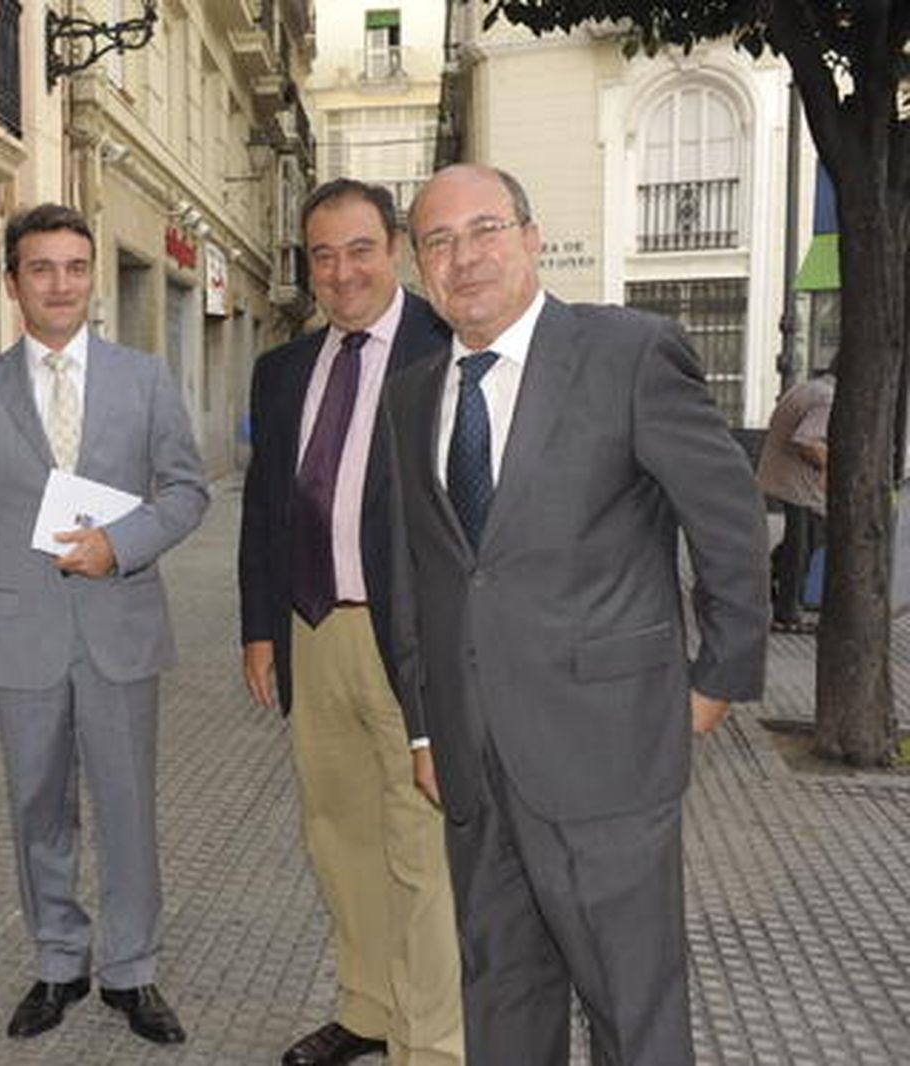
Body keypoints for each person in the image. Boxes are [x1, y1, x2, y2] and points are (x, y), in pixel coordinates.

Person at [385, 164, 768, 1065]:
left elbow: (729, 521)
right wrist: (424, 727)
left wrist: (716, 681)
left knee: (632, 1011)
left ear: (530, 238)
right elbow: (413, 574)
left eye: (484, 230)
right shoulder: (411, 394)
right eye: (438, 241)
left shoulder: (628, 353)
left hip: (607, 753)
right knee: (503, 999)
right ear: (419, 268)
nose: (464, 257)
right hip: (474, 762)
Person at [0, 203, 208, 1046]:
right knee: (37, 809)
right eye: (41, 268)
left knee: (127, 808)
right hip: (23, 639)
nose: (61, 284)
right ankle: (58, 960)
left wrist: (119, 546)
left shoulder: (144, 379)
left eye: (76, 268)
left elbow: (186, 491)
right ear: (13, 283)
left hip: (120, 629)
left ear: (92, 280)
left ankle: (131, 969)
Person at [238, 179, 461, 1066]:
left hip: (413, 642)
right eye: (323, 256)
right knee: (339, 838)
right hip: (312, 631)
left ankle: (432, 1045)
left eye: (360, 249)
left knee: (423, 850)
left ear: (394, 248)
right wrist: (260, 628)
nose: (341, 272)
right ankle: (368, 1010)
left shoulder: (448, 346)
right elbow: (264, 510)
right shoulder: (283, 369)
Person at [756, 369, 833, 632]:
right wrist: (829, 464)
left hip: (782, 474)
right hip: (797, 483)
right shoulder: (828, 399)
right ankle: (787, 614)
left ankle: (765, 579)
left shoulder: (810, 387)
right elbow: (806, 441)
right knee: (800, 547)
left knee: (805, 540)